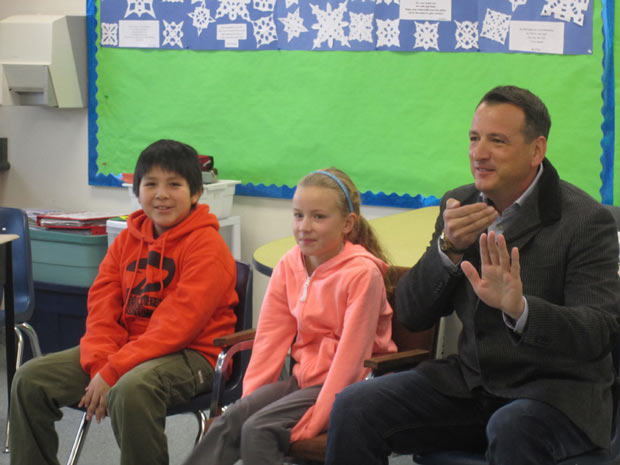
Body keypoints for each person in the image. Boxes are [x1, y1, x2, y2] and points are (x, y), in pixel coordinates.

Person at [325, 86, 620, 465]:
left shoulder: (584, 220)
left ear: (536, 150)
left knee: (512, 427)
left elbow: (599, 331)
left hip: (554, 395)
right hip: (471, 384)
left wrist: (522, 310)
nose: (479, 154)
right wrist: (447, 248)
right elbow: (413, 313)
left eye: (497, 141)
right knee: (354, 406)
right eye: (474, 139)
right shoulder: (460, 204)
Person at [9, 139, 238, 465]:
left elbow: (178, 325)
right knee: (31, 380)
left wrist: (115, 370)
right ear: (138, 189)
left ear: (196, 193)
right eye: (151, 184)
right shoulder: (128, 239)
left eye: (175, 184)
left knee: (131, 390)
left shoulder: (208, 247)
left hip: (193, 354)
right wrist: (102, 364)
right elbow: (102, 306)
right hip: (128, 349)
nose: (161, 194)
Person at [182, 167, 397, 465]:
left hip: (350, 386)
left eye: (318, 217)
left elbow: (352, 358)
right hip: (304, 378)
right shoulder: (289, 264)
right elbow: (271, 338)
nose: (304, 227)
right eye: (298, 215)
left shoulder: (362, 274)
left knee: (259, 430)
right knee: (229, 423)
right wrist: (251, 400)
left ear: (348, 223)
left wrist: (318, 418)